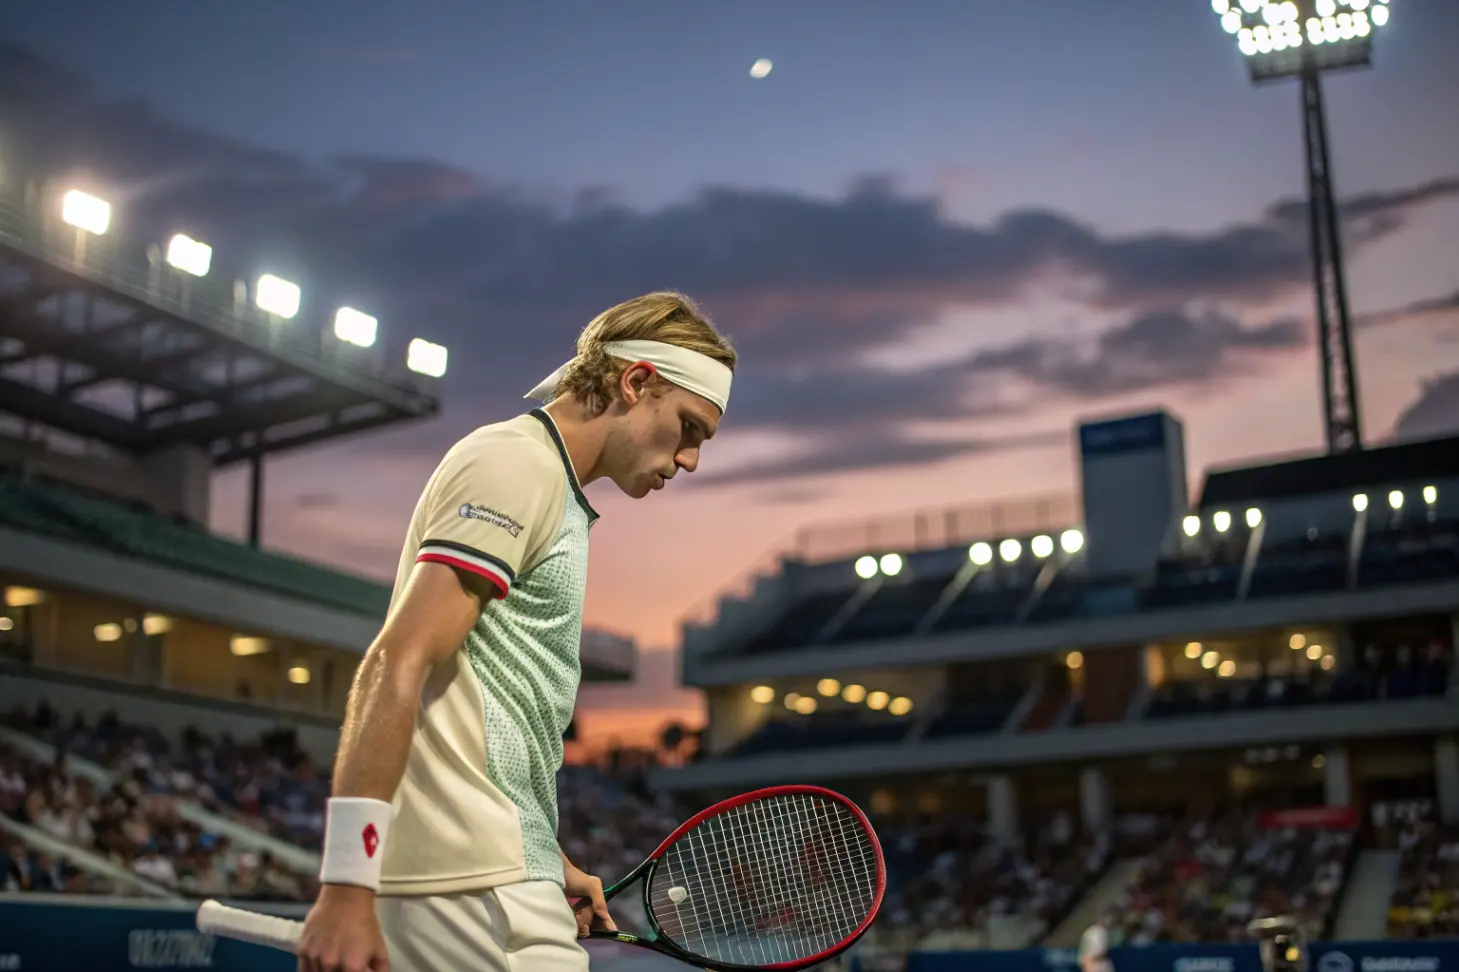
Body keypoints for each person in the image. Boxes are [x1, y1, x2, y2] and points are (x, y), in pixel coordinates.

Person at [297, 292, 736, 972]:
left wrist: (546, 855)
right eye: (688, 428)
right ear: (636, 382)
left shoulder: (548, 484)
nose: (689, 461)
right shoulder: (514, 464)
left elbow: (493, 707)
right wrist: (348, 883)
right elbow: (398, 660)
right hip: (462, 883)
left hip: (503, 874)